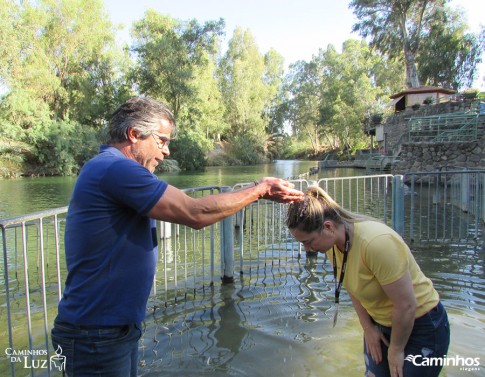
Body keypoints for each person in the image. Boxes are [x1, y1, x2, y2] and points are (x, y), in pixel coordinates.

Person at [51, 96, 304, 377]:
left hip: (108, 330)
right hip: (96, 335)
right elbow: (195, 212)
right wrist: (261, 190)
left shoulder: (110, 167)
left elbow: (189, 204)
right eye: (162, 140)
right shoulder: (117, 168)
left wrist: (255, 189)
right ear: (134, 134)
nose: (167, 151)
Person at [286, 186, 450, 377]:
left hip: (421, 324)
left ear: (328, 227)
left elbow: (406, 305)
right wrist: (368, 328)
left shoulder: (377, 243)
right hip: (381, 324)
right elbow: (353, 287)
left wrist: (396, 350)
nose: (307, 249)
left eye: (308, 241)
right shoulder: (333, 245)